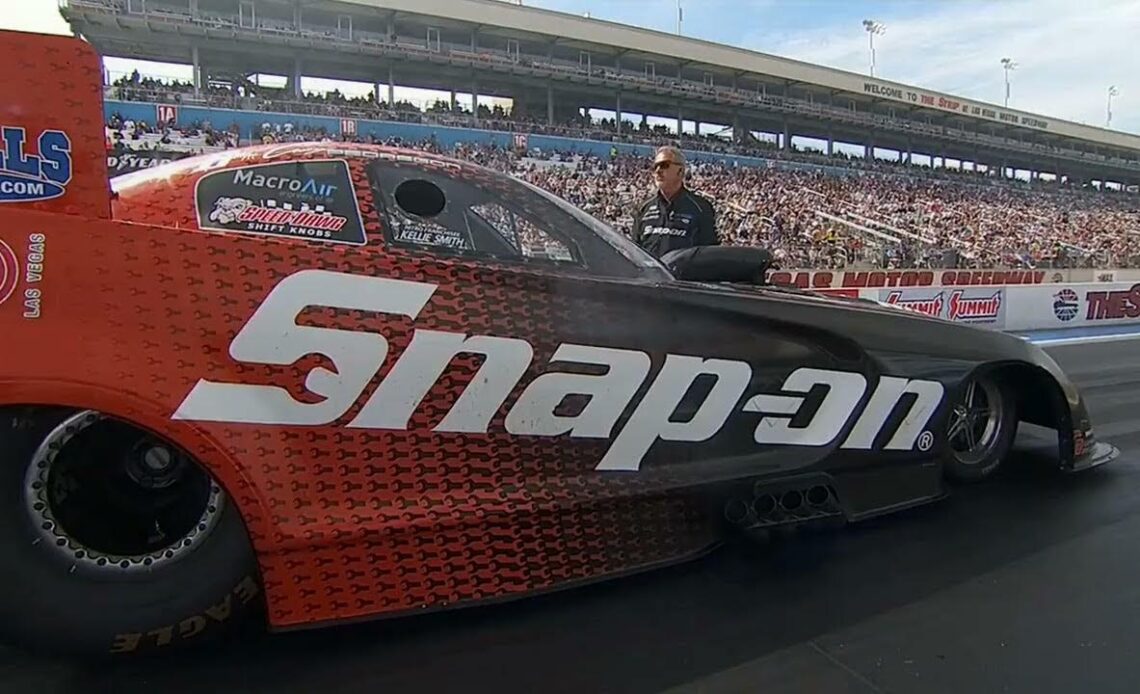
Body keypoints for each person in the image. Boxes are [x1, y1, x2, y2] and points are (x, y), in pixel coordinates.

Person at [630, 146, 718, 257]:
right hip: (650, 274)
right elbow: (634, 252)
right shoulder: (643, 208)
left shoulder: (701, 208)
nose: (658, 171)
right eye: (655, 167)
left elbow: (709, 254)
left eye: (664, 165)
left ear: (680, 171)